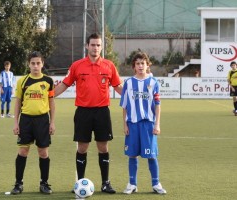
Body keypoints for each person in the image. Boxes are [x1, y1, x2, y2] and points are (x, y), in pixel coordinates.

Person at [54, 33, 122, 194]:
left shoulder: (109, 66)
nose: (96, 48)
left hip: (102, 112)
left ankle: (105, 183)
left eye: (98, 45)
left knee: (103, 147)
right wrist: (48, 95)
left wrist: (133, 97)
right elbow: (64, 85)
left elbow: (119, 87)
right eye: (93, 45)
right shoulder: (77, 65)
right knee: (82, 148)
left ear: (101, 47)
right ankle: (79, 183)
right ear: (87, 46)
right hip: (83, 112)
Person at [120, 52, 167, 195]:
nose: (140, 66)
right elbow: (125, 106)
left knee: (151, 155)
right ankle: (132, 184)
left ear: (147, 65)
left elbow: (157, 105)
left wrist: (157, 124)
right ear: (134, 66)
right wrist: (125, 124)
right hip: (133, 124)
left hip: (148, 124)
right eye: (138, 63)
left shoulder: (153, 83)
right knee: (132, 155)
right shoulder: (128, 83)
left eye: (143, 63)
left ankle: (156, 183)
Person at [10, 51, 55, 195]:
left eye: (38, 63)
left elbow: (51, 103)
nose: (36, 66)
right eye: (33, 63)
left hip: (42, 120)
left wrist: (52, 122)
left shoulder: (48, 81)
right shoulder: (22, 81)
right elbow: (17, 103)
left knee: (43, 152)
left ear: (42, 64)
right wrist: (16, 123)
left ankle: (44, 184)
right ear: (28, 64)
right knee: (23, 151)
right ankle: (18, 184)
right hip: (26, 120)